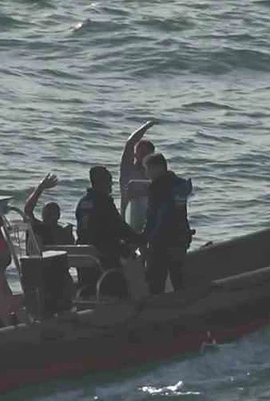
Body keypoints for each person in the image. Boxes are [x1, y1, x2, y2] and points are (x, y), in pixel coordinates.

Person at [75, 165, 142, 296]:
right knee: (129, 255)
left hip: (84, 251)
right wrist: (141, 238)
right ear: (101, 182)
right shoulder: (103, 202)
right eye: (109, 181)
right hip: (104, 253)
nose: (111, 184)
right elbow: (119, 228)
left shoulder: (83, 202)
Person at [141, 152, 194, 295]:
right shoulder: (179, 184)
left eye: (147, 169)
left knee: (156, 281)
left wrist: (146, 237)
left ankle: (156, 306)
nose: (146, 173)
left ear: (158, 168)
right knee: (178, 278)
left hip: (162, 241)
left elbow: (154, 217)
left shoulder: (156, 187)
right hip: (180, 238)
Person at [119, 119, 158, 232]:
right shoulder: (128, 170)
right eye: (141, 153)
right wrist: (147, 126)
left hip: (150, 224)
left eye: (147, 153)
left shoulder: (155, 176)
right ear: (135, 154)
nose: (143, 156)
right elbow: (130, 143)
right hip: (128, 224)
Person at [23, 173, 73, 252]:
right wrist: (40, 187)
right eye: (47, 212)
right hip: (41, 258)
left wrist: (41, 187)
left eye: (51, 212)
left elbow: (28, 210)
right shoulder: (37, 228)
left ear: (58, 215)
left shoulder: (63, 232)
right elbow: (27, 210)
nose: (49, 215)